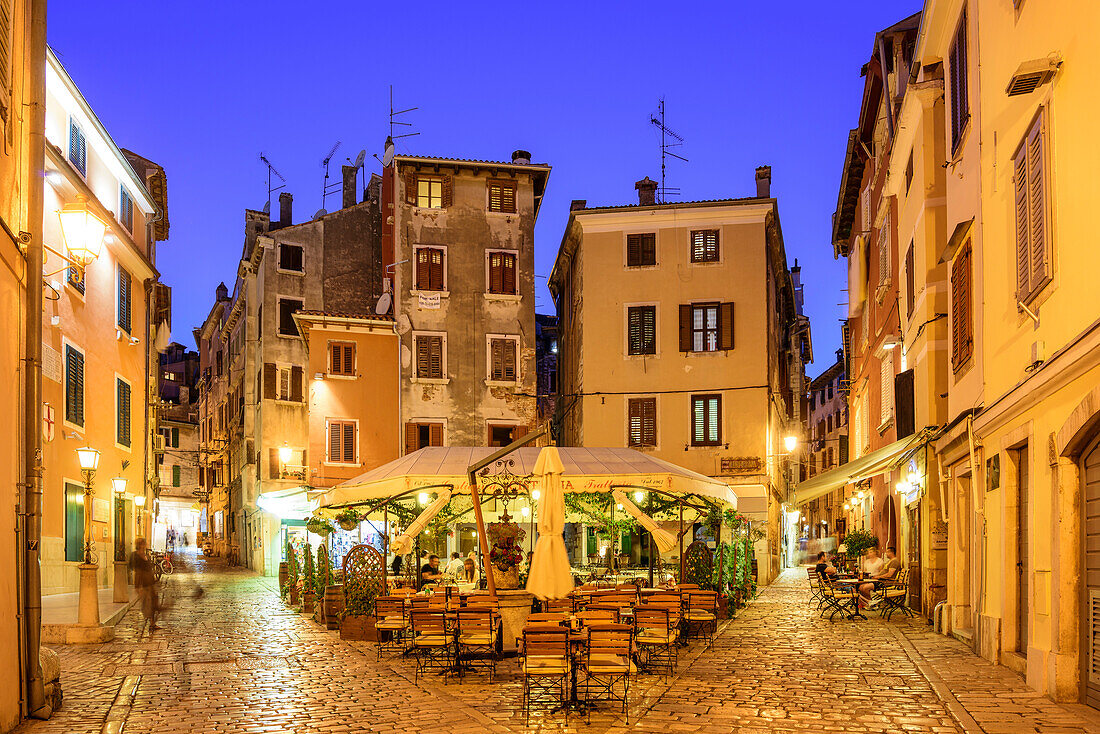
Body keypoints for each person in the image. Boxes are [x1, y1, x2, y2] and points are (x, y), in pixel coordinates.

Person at [129, 538, 160, 632]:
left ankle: (152, 622)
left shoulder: (146, 555)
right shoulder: (135, 556)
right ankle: (150, 622)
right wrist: (138, 586)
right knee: (147, 604)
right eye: (143, 544)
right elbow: (137, 571)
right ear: (140, 545)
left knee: (154, 602)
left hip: (150, 582)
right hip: (143, 583)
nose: (145, 545)